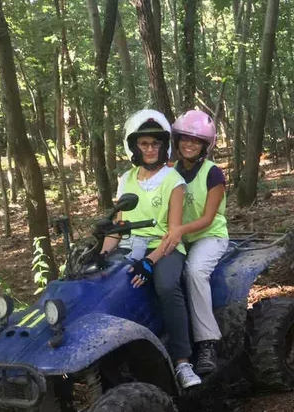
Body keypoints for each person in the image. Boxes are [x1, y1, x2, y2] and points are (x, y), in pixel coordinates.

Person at [100, 109, 201, 389]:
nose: (150, 149)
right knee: (103, 286)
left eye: (155, 143)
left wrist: (150, 261)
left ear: (163, 145)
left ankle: (182, 361)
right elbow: (117, 227)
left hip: (165, 247)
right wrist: (103, 255)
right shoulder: (126, 179)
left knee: (167, 285)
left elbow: (174, 231)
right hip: (131, 247)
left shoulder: (173, 180)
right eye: (144, 143)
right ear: (134, 147)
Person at [169, 110, 229, 375]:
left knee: (194, 272)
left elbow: (207, 218)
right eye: (185, 139)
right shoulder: (170, 172)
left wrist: (178, 231)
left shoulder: (213, 173)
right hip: (178, 236)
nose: (189, 144)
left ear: (205, 145)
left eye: (195, 140)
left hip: (209, 236)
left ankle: (207, 343)